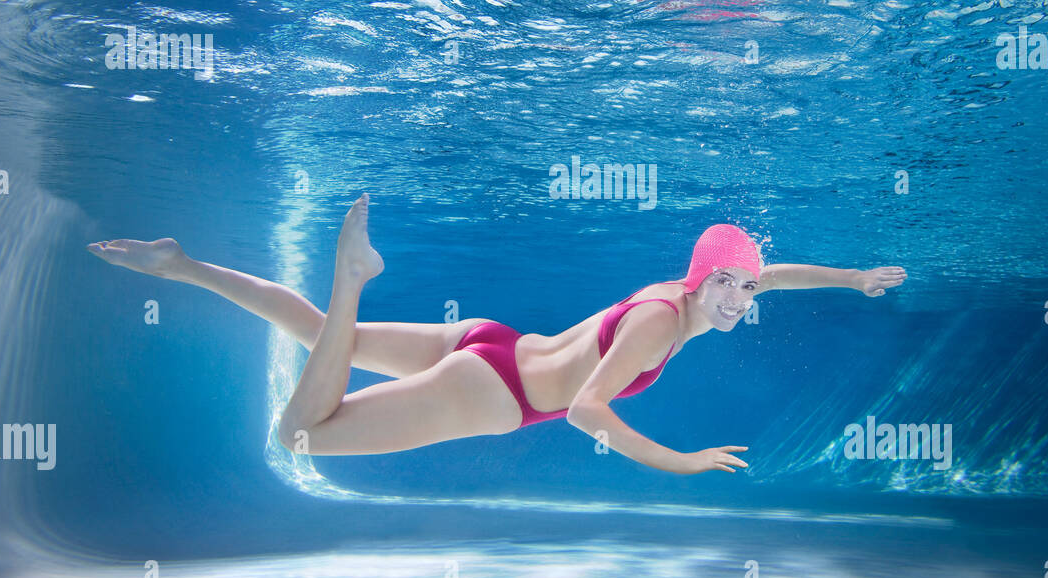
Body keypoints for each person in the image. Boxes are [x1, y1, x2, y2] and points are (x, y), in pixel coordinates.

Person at [88, 196, 906, 474]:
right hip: (496, 391)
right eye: (728, 285)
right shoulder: (661, 327)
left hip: (490, 341)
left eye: (748, 288)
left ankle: (180, 265)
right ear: (701, 280)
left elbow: (779, 271)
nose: (740, 300)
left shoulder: (682, 294)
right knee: (298, 436)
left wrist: (851, 278)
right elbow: (588, 410)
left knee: (310, 333)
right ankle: (351, 275)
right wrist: (677, 460)